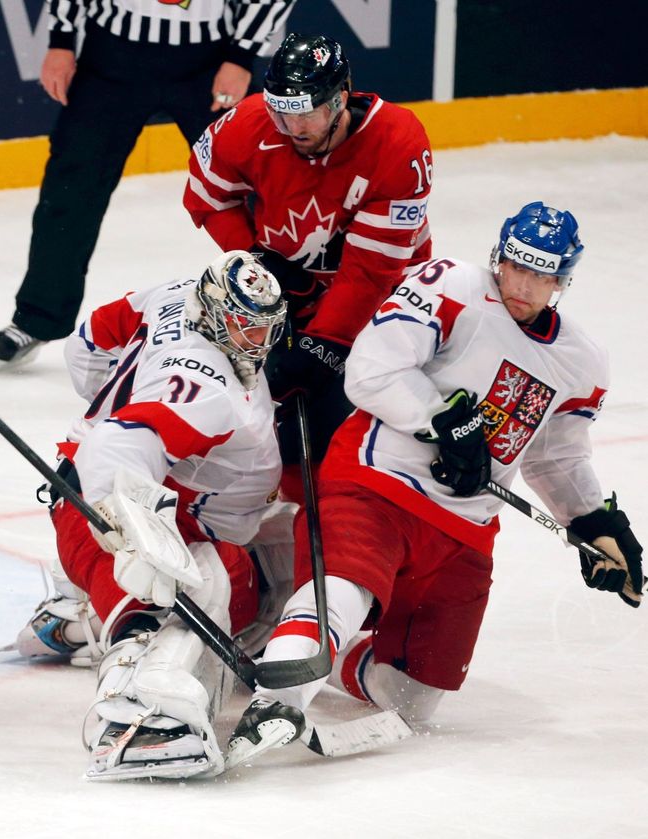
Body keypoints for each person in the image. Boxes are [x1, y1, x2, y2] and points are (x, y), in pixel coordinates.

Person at [220, 202, 645, 768]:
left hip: (464, 530)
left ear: (563, 280)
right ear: (499, 257)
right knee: (346, 591)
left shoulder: (581, 361)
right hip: (376, 480)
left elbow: (555, 454)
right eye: (517, 266)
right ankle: (275, 700)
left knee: (414, 700)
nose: (524, 285)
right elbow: (371, 370)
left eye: (543, 276)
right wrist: (445, 419)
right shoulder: (450, 284)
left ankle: (290, 630)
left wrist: (594, 522)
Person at [16, 250, 291, 780]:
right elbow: (120, 445)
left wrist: (106, 405)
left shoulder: (174, 294)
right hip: (98, 501)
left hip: (117, 488)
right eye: (243, 327)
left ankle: (72, 618)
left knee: (237, 577)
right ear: (212, 311)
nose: (256, 344)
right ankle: (132, 718)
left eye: (264, 330)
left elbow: (88, 343)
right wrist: (133, 531)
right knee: (185, 589)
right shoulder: (205, 385)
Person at [184, 32, 434, 498]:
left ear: (339, 100)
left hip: (384, 302)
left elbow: (371, 272)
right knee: (255, 420)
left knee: (340, 428)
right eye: (281, 111)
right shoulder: (251, 123)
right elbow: (206, 196)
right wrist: (260, 265)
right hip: (288, 295)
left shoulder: (397, 142)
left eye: (307, 113)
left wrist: (323, 345)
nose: (293, 126)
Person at [0, 0, 296, 372]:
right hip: (111, 57)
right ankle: (37, 319)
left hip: (209, 60)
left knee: (252, 191)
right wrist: (62, 39)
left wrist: (241, 55)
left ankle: (285, 319)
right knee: (70, 191)